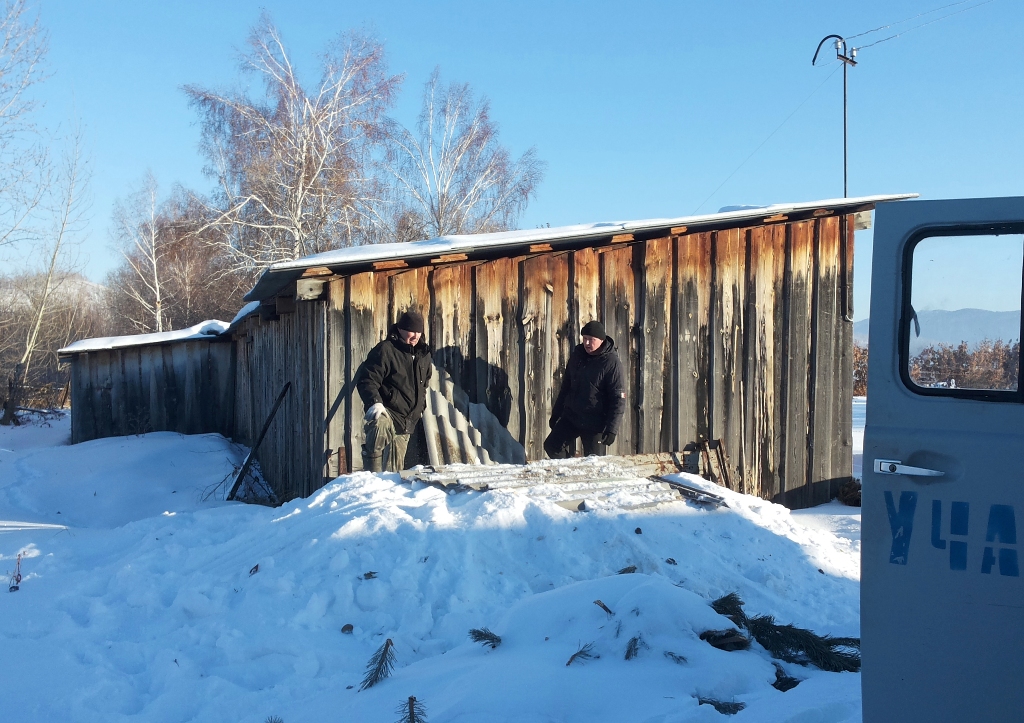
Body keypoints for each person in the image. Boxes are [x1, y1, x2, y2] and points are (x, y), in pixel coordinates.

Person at [355, 309, 433, 472]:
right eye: (412, 331)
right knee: (379, 427)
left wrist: (420, 407)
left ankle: (386, 492)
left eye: (419, 332)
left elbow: (424, 384)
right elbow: (367, 379)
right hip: (388, 411)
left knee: (393, 471)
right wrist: (375, 403)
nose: (416, 336)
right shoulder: (386, 350)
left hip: (407, 418)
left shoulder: (424, 354)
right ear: (400, 329)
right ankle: (370, 478)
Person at [544, 320, 626, 459]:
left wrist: (611, 429)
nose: (587, 343)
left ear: (601, 340)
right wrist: (556, 413)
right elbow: (566, 387)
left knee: (593, 461)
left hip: (595, 421)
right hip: (572, 416)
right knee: (552, 446)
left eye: (591, 340)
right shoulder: (578, 355)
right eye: (585, 339)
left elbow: (618, 398)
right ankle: (571, 472)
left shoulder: (611, 363)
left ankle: (587, 477)